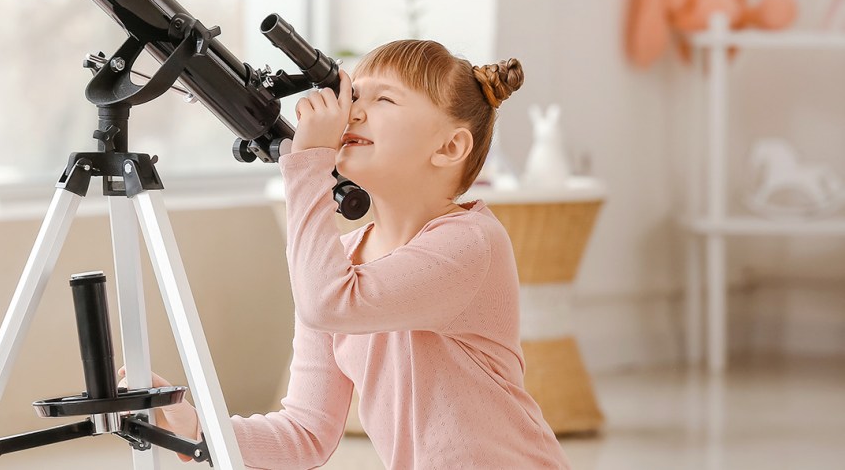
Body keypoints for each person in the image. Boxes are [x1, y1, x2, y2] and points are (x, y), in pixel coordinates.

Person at [139, 39, 571, 468]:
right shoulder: (340, 263)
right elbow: (305, 433)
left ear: (449, 148)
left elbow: (329, 303)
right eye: (356, 96)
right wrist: (197, 427)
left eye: (384, 99)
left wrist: (307, 163)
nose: (355, 112)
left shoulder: (470, 243)